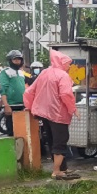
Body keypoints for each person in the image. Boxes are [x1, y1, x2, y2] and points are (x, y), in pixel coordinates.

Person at [23, 50, 79, 180]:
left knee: (52, 140)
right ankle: (56, 171)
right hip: (58, 114)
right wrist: (73, 109)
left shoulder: (45, 73)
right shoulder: (63, 75)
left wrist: (30, 107)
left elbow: (30, 91)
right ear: (62, 63)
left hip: (44, 113)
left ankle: (63, 168)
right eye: (67, 63)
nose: (69, 66)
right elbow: (65, 94)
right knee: (60, 141)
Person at [0, 50, 26, 136]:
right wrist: (6, 105)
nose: (17, 61)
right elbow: (3, 89)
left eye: (19, 59)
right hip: (11, 106)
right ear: (10, 61)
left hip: (22, 106)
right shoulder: (5, 72)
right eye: (15, 59)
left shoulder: (21, 73)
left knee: (22, 132)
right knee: (12, 132)